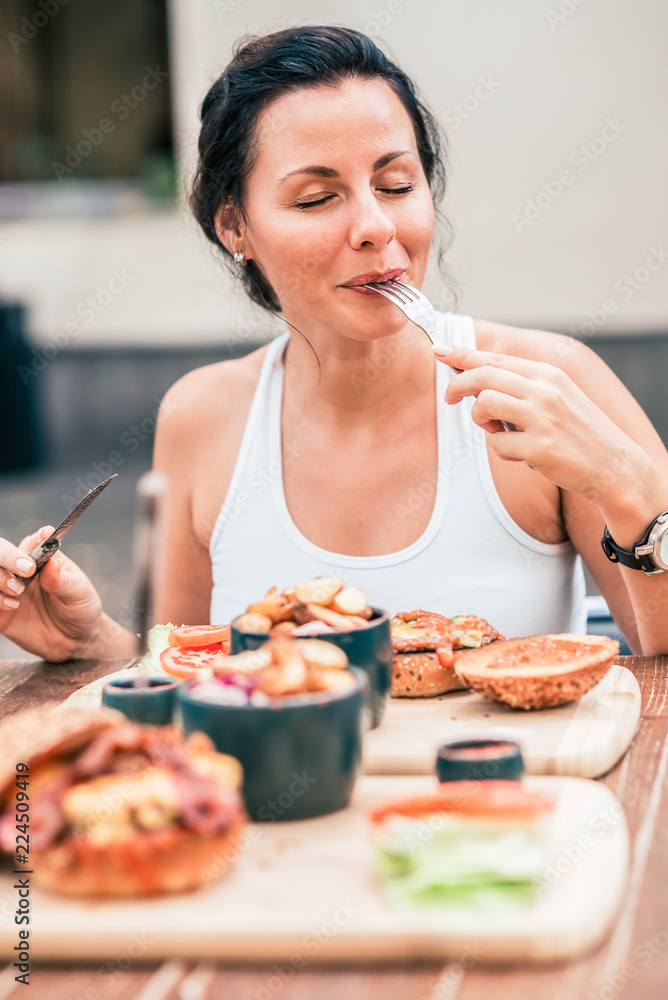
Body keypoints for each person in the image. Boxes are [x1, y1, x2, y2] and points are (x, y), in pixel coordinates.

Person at [2, 25, 668, 661]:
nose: (376, 226)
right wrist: (91, 643)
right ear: (235, 226)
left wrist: (627, 488)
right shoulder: (200, 416)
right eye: (318, 198)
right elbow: (185, 680)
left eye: (397, 185)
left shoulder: (547, 381)